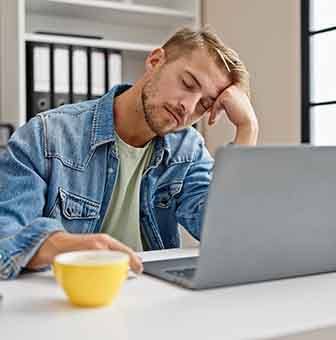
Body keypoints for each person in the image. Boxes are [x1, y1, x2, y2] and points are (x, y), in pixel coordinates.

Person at [0, 26, 258, 280]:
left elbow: (228, 234)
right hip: (64, 302)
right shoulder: (46, 135)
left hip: (151, 302)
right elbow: (5, 241)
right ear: (155, 61)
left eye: (204, 104)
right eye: (188, 83)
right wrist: (59, 244)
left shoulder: (187, 150)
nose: (187, 107)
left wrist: (247, 130)